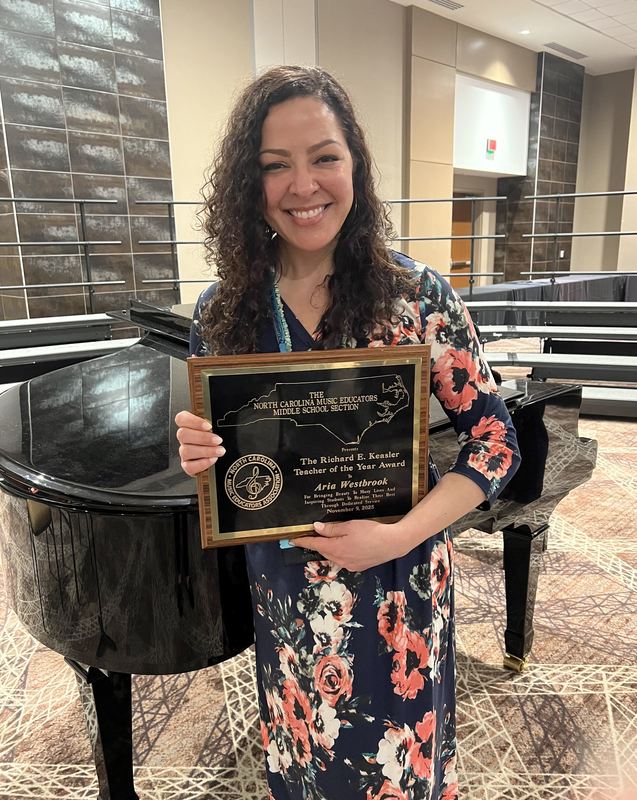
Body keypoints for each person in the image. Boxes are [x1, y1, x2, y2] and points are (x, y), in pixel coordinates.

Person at [175, 65, 520, 800]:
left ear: (354, 165)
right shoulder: (221, 312)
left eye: (324, 157)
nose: (304, 186)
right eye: (275, 166)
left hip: (396, 587)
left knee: (397, 773)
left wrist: (397, 537)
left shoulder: (416, 295)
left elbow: (496, 443)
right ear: (249, 183)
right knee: (306, 769)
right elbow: (231, 471)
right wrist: (199, 458)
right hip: (286, 595)